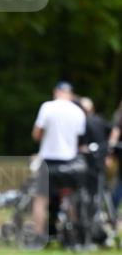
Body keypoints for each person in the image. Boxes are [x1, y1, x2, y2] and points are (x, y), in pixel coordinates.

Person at [31, 81, 86, 240]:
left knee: (41, 199)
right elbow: (79, 139)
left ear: (56, 92)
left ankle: (39, 235)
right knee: (70, 197)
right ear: (71, 94)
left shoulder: (47, 107)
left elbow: (37, 134)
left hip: (48, 159)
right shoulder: (78, 111)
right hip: (70, 161)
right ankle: (73, 235)